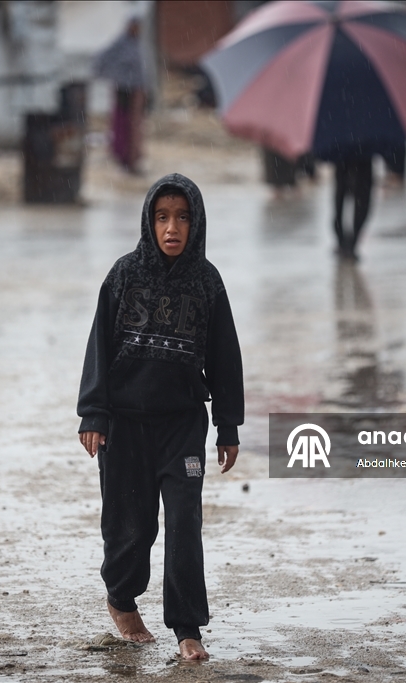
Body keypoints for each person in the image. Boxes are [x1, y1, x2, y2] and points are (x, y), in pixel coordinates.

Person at [77, 173, 243, 660]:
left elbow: (226, 358)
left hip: (182, 427)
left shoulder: (207, 282)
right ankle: (122, 599)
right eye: (162, 216)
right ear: (149, 221)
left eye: (183, 217)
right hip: (125, 425)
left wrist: (228, 425)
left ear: (197, 222)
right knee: (131, 526)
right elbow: (99, 348)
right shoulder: (125, 275)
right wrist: (94, 412)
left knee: (184, 522)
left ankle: (187, 627)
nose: (173, 227)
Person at [94, 18, 146, 174]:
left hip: (137, 90)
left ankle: (133, 159)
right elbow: (100, 61)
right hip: (124, 88)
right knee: (123, 122)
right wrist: (115, 75)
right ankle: (123, 157)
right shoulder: (121, 44)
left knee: (136, 124)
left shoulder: (142, 45)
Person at [332, 149, 375, 260]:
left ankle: (346, 242)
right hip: (360, 148)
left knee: (342, 192)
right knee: (360, 195)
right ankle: (348, 241)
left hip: (346, 148)